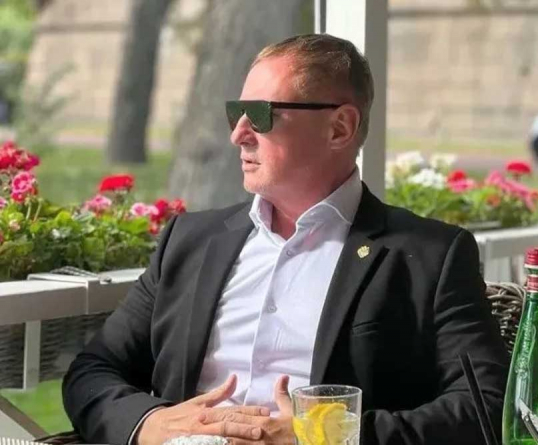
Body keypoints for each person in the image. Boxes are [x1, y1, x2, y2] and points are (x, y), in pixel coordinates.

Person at [63, 33, 509, 445]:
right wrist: (151, 423)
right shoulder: (189, 241)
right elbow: (92, 371)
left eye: (260, 114)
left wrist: (323, 436)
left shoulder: (428, 256)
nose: (238, 134)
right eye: (236, 112)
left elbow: (487, 406)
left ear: (339, 128)